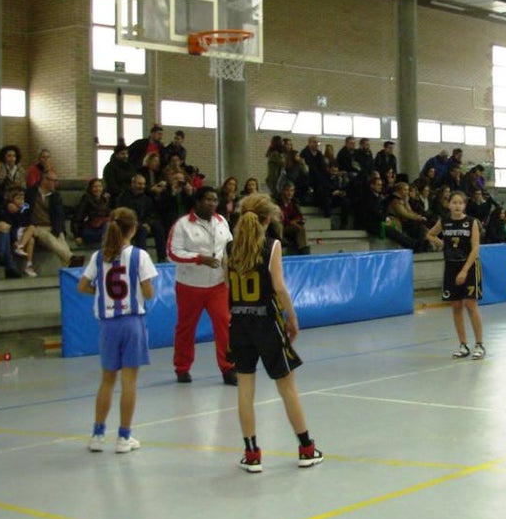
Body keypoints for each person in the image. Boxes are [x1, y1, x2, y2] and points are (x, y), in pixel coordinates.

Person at [227, 193, 323, 473]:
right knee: (287, 387)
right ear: (267, 219)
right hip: (266, 324)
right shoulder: (271, 246)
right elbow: (279, 287)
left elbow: (226, 288)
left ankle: (252, 453)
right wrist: (292, 317)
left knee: (245, 389)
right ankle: (306, 448)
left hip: (239, 324)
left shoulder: (229, 249)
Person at [78, 207, 158, 454]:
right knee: (129, 381)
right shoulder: (139, 256)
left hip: (108, 323)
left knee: (107, 380)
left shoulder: (99, 256)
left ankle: (97, 434)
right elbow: (147, 291)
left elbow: (82, 286)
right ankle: (124, 436)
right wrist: (145, 293)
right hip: (132, 322)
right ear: (133, 229)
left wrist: (100, 293)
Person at [167, 186, 237, 385]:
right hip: (190, 285)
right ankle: (182, 368)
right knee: (186, 327)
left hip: (218, 284)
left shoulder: (222, 221)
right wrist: (199, 259)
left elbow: (230, 246)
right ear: (197, 202)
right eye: (208, 199)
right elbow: (172, 253)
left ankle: (228, 368)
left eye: (215, 200)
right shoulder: (182, 225)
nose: (212, 203)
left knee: (224, 324)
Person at [427, 190, 484, 359]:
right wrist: (443, 244)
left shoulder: (471, 222)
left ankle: (479, 344)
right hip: (451, 267)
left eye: (461, 203)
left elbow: (475, 248)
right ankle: (463, 344)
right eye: (454, 202)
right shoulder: (444, 221)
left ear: (465, 205)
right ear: (449, 204)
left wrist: (465, 270)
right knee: (456, 306)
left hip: (469, 266)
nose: (457, 205)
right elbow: (429, 234)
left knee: (471, 305)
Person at [25, 170, 74, 266]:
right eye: (53, 180)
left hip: (51, 225)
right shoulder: (30, 193)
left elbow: (59, 215)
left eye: (56, 181)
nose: (55, 183)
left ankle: (69, 266)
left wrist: (57, 230)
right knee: (48, 238)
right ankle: (71, 258)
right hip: (36, 227)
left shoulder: (55, 196)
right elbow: (25, 209)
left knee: (61, 239)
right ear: (44, 180)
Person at [72, 178, 112, 246]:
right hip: (89, 230)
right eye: (95, 187)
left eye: (100, 186)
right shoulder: (86, 199)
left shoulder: (105, 199)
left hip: (103, 228)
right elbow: (77, 218)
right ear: (90, 188)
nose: (98, 189)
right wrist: (77, 236)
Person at [276, 183, 310, 255]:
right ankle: (304, 252)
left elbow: (299, 216)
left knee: (301, 228)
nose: (290, 193)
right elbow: (280, 218)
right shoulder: (277, 203)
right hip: (280, 227)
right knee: (300, 229)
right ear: (282, 191)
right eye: (287, 190)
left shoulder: (294, 202)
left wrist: (295, 221)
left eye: (292, 191)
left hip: (291, 225)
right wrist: (290, 222)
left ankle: (304, 250)